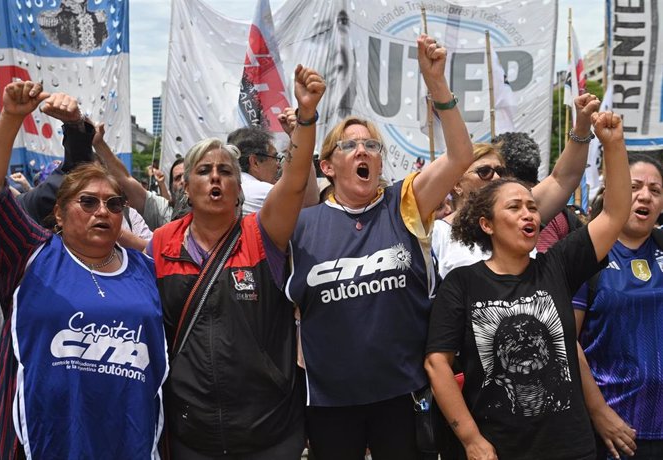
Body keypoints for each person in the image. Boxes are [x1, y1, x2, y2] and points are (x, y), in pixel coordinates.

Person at [284, 35, 473, 459]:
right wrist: (304, 118)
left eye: (371, 145)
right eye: (350, 145)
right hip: (332, 402)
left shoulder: (403, 203)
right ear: (327, 165)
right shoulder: (302, 223)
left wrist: (437, 85)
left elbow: (461, 155)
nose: (363, 150)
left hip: (401, 396)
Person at [0, 80, 168, 459]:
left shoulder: (148, 270)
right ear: (58, 213)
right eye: (89, 201)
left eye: (114, 204)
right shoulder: (30, 255)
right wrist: (13, 117)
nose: (102, 211)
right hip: (40, 444)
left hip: (129, 444)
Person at [424, 110, 631, 460]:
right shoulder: (463, 283)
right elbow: (436, 364)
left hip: (570, 449)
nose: (529, 214)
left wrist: (614, 145)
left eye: (533, 207)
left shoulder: (558, 266)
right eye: (515, 207)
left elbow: (613, 215)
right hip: (497, 450)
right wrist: (472, 439)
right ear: (486, 224)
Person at [150, 65, 324, 458]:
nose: (215, 178)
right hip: (192, 436)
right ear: (187, 188)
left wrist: (307, 117)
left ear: (238, 186)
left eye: (225, 171)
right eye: (204, 171)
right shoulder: (161, 244)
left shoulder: (262, 234)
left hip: (269, 433)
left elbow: (295, 180)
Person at [432, 93, 601, 279]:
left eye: (501, 171)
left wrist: (582, 128)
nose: (496, 177)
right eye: (485, 171)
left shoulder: (520, 213)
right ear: (456, 184)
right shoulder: (436, 235)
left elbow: (563, 179)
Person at [573, 152, 663, 460]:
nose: (645, 196)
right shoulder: (588, 256)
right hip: (614, 432)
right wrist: (599, 413)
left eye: (656, 190)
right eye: (635, 186)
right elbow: (566, 342)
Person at [227, 110, 319, 215]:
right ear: (255, 162)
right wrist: (300, 133)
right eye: (275, 157)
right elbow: (309, 204)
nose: (278, 165)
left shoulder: (226, 187)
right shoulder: (262, 191)